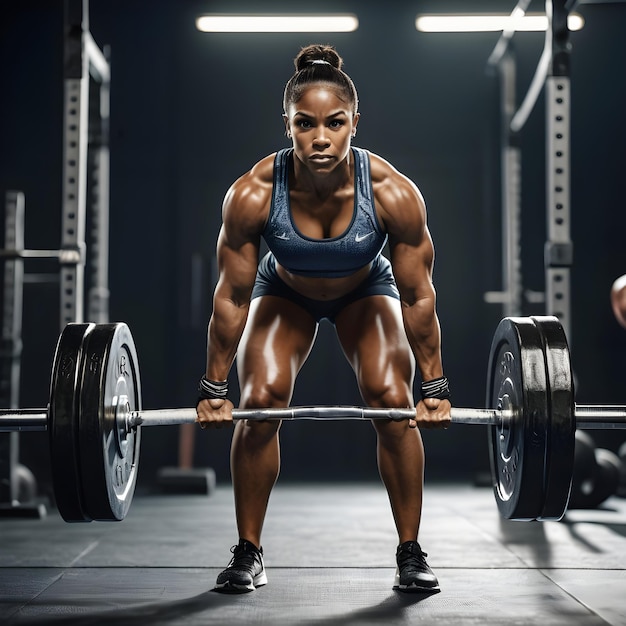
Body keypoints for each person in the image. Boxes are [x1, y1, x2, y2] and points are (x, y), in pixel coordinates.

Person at [196, 43, 451, 594]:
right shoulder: (252, 193)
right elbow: (233, 296)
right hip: (283, 290)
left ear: (355, 121)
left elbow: (417, 295)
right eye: (304, 123)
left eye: (335, 123)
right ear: (285, 122)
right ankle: (248, 551)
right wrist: (215, 387)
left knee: (391, 398)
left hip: (366, 287)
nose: (320, 137)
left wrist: (433, 386)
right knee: (259, 401)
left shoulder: (392, 193)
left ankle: (410, 550)